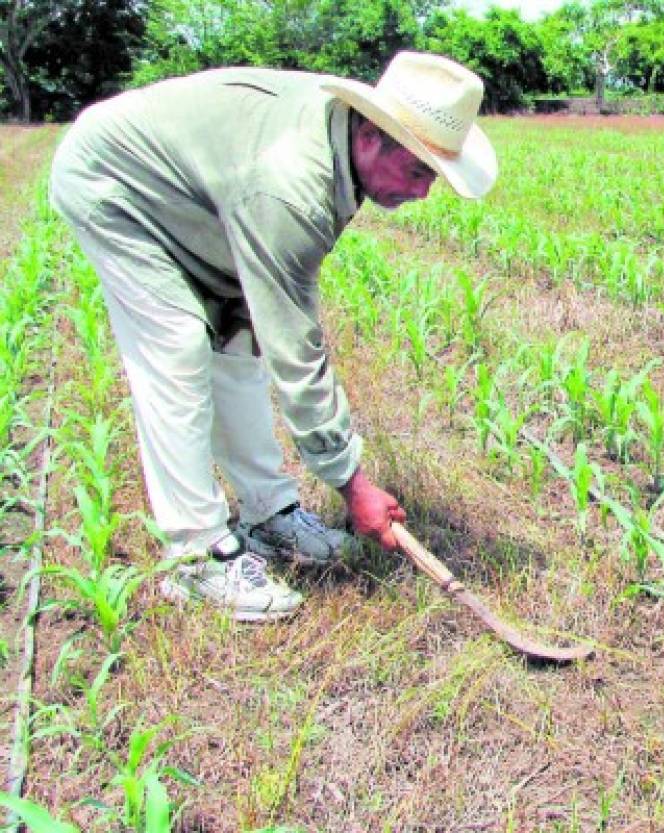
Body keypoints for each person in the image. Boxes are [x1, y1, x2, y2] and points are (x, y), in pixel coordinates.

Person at [49, 52, 498, 622]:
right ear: (369, 136)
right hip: (118, 185)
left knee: (237, 344)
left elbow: (265, 315)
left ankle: (269, 514)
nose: (424, 192)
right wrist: (352, 484)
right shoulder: (291, 185)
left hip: (205, 194)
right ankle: (193, 556)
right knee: (178, 348)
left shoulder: (333, 152)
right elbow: (298, 355)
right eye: (417, 172)